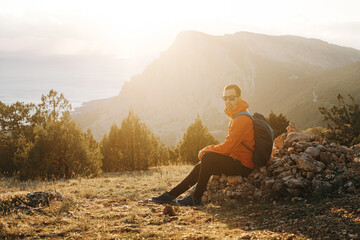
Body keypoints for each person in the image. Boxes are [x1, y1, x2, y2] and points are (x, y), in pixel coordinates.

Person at [152, 84, 255, 206]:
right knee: (201, 166)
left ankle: (196, 197)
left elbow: (228, 147)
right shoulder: (236, 116)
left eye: (231, 98)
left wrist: (205, 150)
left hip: (244, 165)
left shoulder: (241, 118)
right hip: (237, 160)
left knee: (207, 157)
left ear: (239, 98)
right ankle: (171, 195)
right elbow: (231, 146)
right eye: (225, 98)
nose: (228, 101)